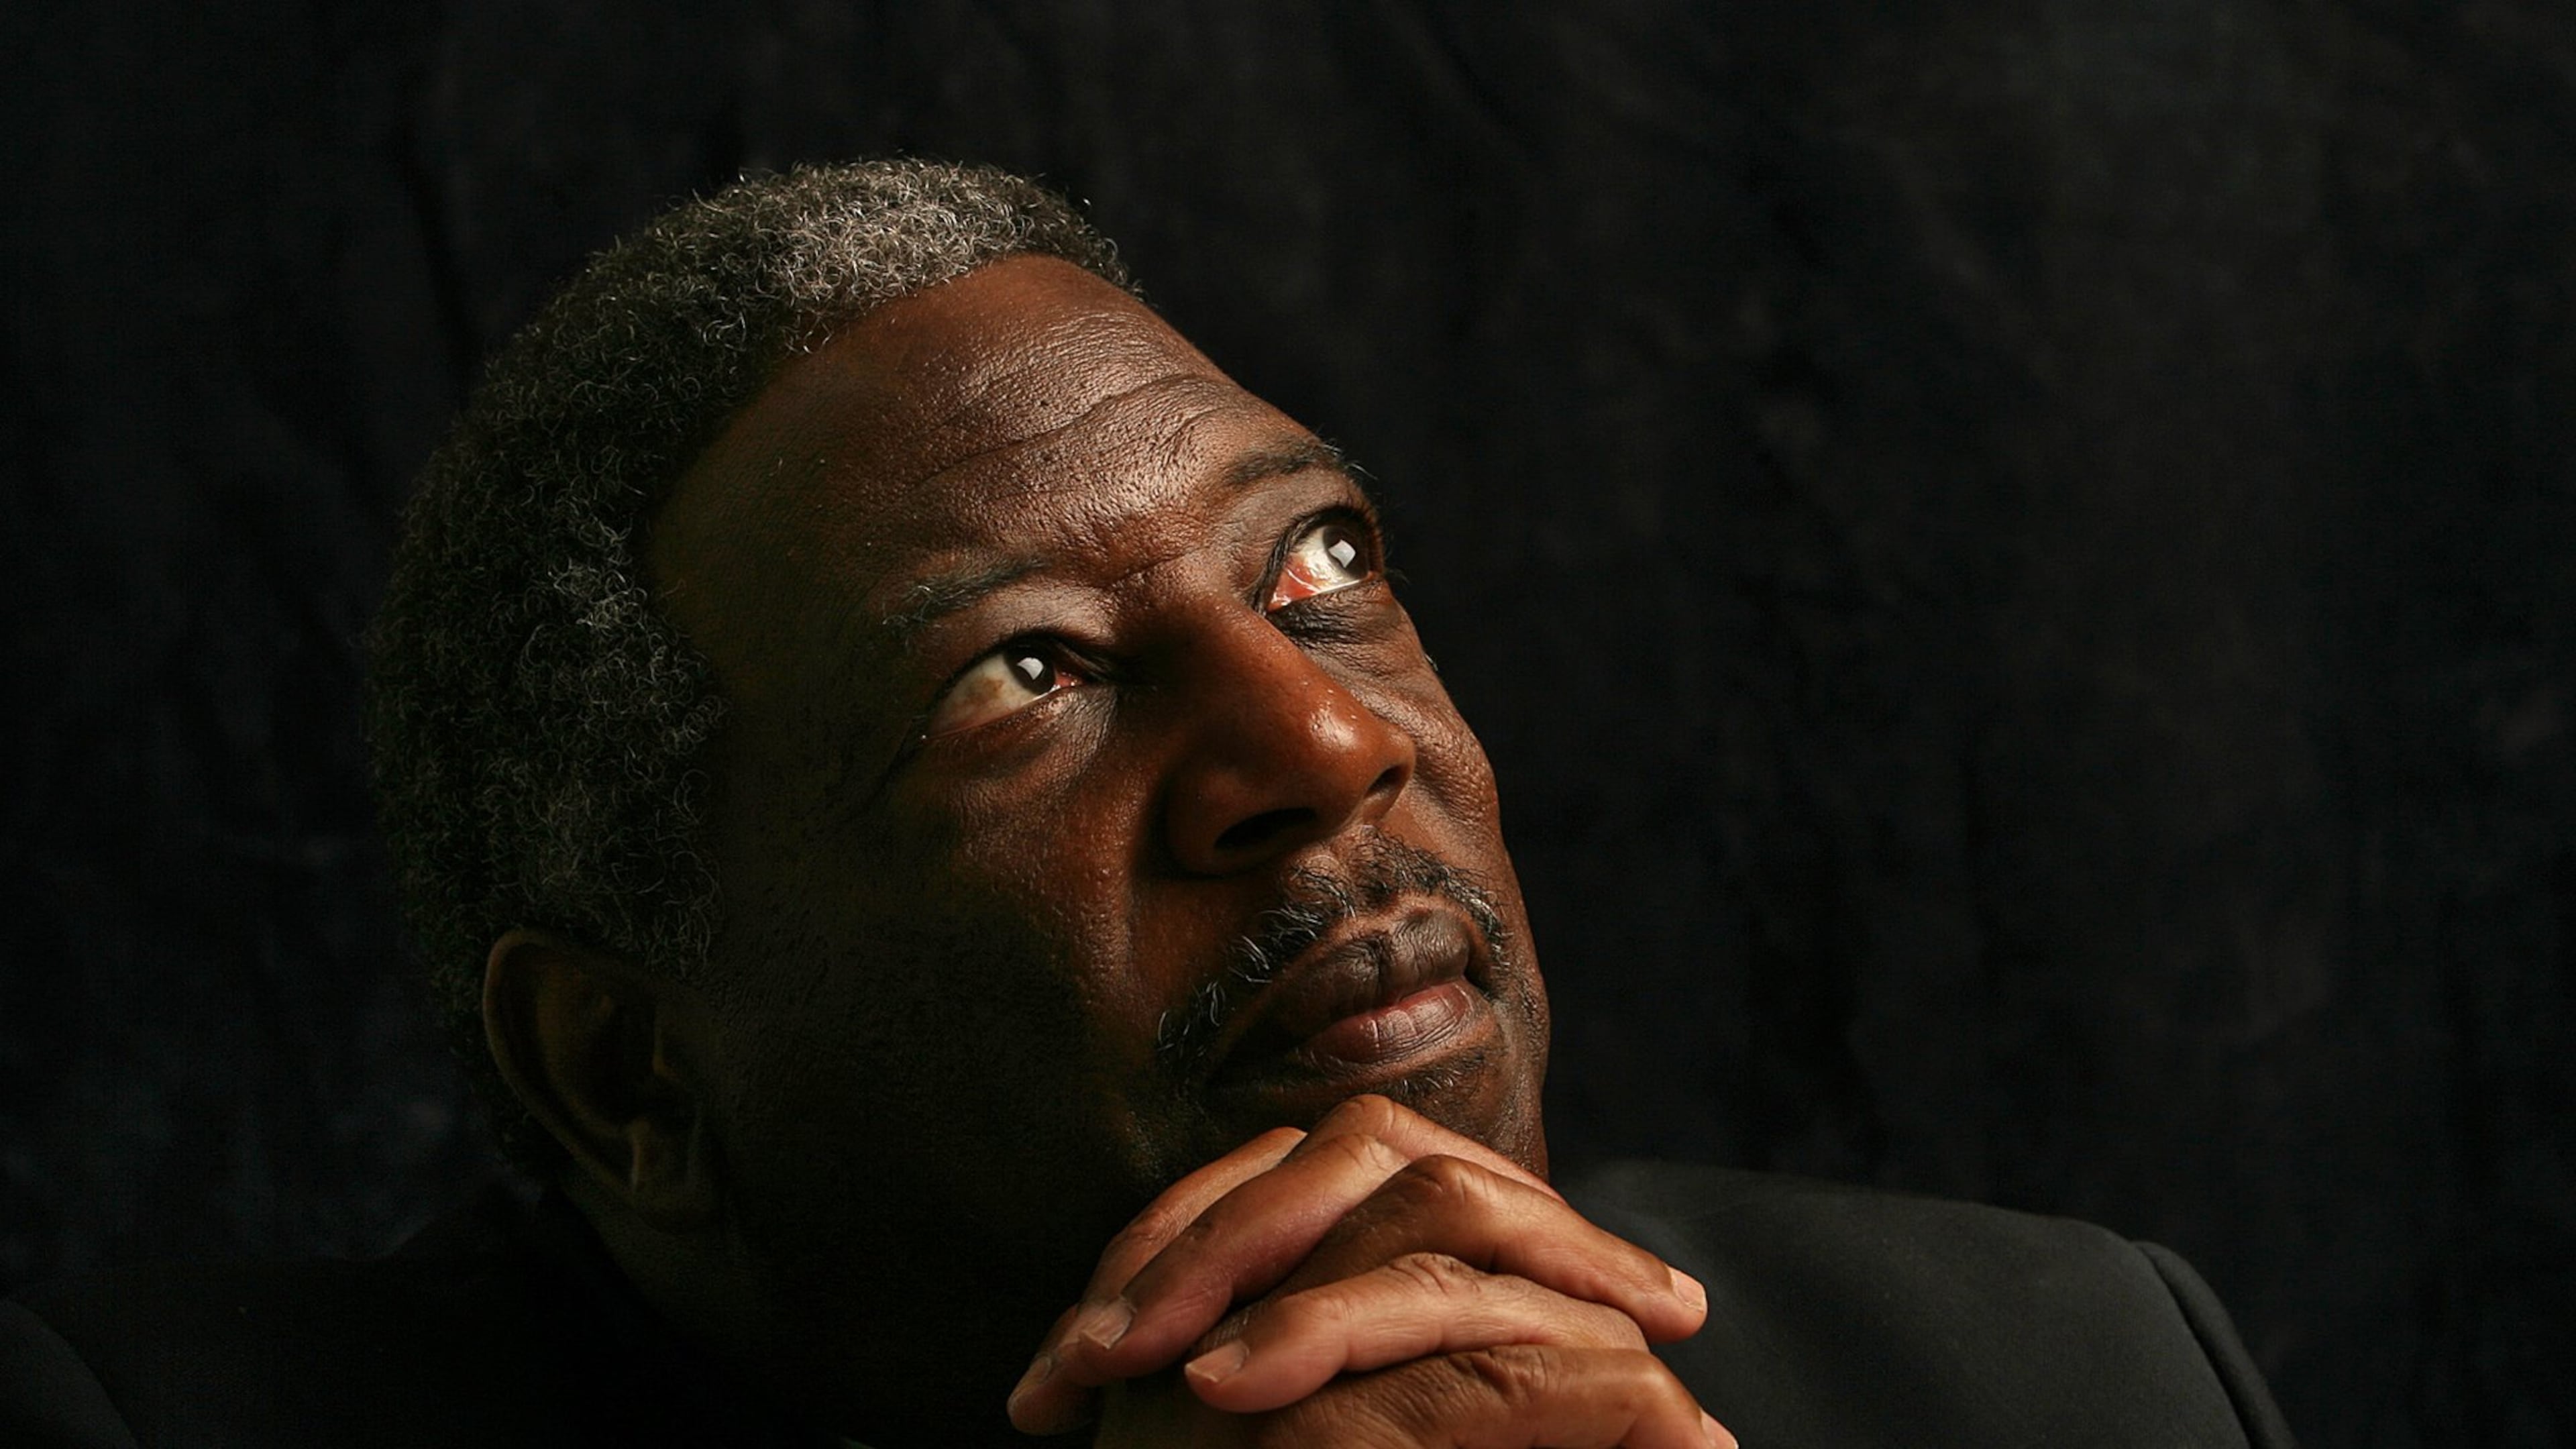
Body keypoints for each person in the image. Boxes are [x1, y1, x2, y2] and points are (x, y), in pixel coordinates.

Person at [1, 160, 2295, 1448]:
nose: (1326, 749)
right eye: (1031, 677)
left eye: (1324, 568)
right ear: (628, 1069)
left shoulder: (2056, 1379)